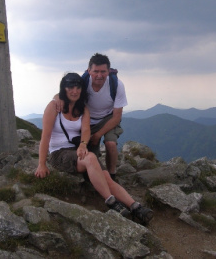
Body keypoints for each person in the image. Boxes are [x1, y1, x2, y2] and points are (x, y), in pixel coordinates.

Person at [35, 72, 153, 225]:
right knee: (90, 157)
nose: (74, 91)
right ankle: (110, 202)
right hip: (59, 154)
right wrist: (41, 164)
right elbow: (45, 136)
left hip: (78, 151)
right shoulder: (53, 107)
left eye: (78, 87)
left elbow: (85, 130)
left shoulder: (83, 109)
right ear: (63, 89)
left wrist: (83, 145)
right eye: (70, 87)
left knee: (106, 178)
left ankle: (135, 207)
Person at [54, 53, 127, 180]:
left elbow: (116, 117)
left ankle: (112, 174)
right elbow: (65, 93)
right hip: (87, 120)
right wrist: (57, 98)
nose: (99, 75)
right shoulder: (83, 82)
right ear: (89, 71)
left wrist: (98, 135)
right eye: (96, 71)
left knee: (110, 144)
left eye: (103, 71)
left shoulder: (117, 85)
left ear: (108, 71)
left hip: (108, 119)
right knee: (88, 151)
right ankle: (96, 175)